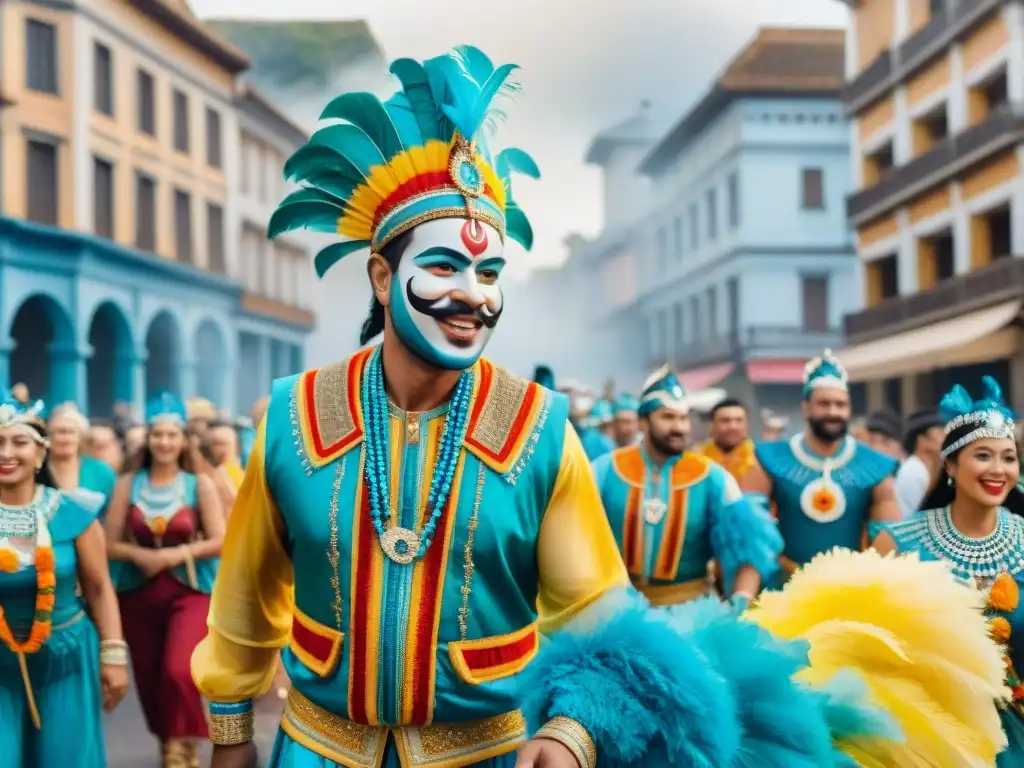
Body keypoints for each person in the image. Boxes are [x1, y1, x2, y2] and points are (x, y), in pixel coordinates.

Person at [191, 45, 689, 768]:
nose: (475, 295)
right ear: (383, 276)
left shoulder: (541, 428)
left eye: (490, 272)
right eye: (446, 266)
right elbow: (243, 595)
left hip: (490, 754)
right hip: (318, 750)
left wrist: (571, 729)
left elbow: (598, 616)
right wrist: (231, 733)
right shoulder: (293, 414)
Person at [874, 376, 1024, 765]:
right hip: (928, 741)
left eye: (1008, 457)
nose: (998, 469)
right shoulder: (899, 543)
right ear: (951, 465)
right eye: (983, 455)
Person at [0, 395, 129, 766]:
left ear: (40, 453)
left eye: (19, 442)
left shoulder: (75, 512)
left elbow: (100, 588)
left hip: (66, 657)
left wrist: (114, 655)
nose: (7, 453)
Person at [592, 367, 781, 607]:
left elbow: (750, 549)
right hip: (617, 610)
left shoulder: (713, 477)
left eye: (683, 418)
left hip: (691, 613)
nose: (679, 427)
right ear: (643, 422)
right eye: (668, 417)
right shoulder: (605, 469)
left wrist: (741, 601)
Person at [105, 392, 225, 768]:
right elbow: (107, 543)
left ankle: (182, 744)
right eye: (157, 435)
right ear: (147, 439)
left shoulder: (197, 484)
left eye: (172, 435)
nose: (164, 442)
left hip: (189, 591)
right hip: (138, 594)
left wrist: (174, 555)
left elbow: (220, 539)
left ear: (183, 440)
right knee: (149, 677)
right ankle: (170, 741)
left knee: (178, 669)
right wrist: (141, 556)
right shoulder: (127, 483)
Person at [740, 350, 901, 586]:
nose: (833, 412)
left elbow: (889, 538)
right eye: (824, 403)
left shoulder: (875, 465)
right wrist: (744, 595)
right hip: (784, 589)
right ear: (806, 407)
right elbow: (750, 532)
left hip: (851, 590)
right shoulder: (769, 458)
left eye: (840, 404)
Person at [46, 403, 117, 520]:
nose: (66, 438)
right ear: (48, 437)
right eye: (60, 432)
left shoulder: (102, 472)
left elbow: (113, 516)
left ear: (81, 438)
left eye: (71, 432)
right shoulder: (36, 470)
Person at [893, 409, 944, 516]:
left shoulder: (924, 469)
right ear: (922, 440)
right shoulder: (913, 472)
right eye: (940, 431)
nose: (945, 436)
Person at [698, 397, 754, 482]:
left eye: (739, 420)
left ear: (746, 424)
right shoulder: (698, 457)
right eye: (725, 421)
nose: (733, 427)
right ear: (711, 426)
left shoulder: (759, 459)